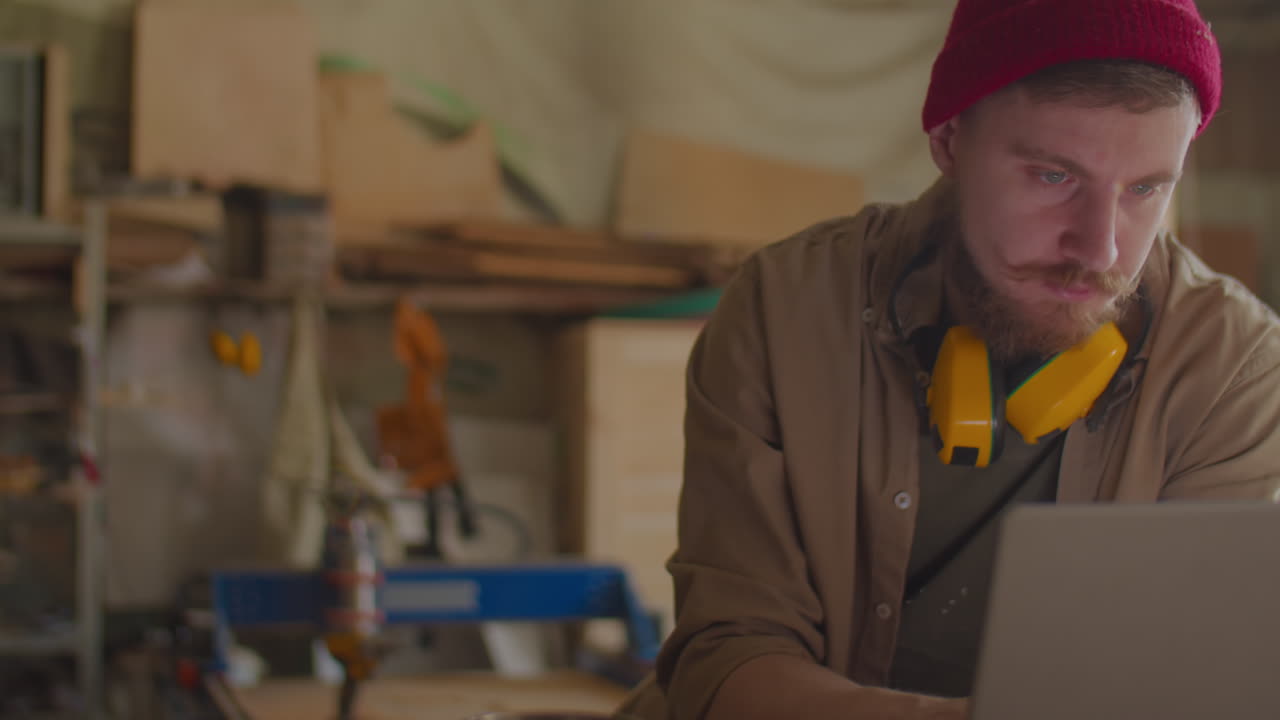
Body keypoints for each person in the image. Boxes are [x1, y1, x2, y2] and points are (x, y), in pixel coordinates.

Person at [616, 0, 1280, 718]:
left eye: (1146, 189)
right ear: (948, 137)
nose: (1100, 249)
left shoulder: (1231, 368)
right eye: (1054, 177)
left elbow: (1194, 684)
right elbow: (728, 660)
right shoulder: (786, 307)